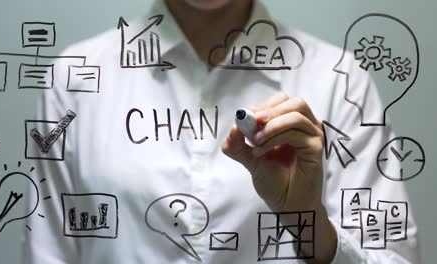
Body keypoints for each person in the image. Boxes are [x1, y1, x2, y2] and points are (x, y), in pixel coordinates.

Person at [24, 0, 420, 263]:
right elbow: (48, 252)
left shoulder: (340, 79)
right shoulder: (73, 76)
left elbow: (395, 256)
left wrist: (307, 219)